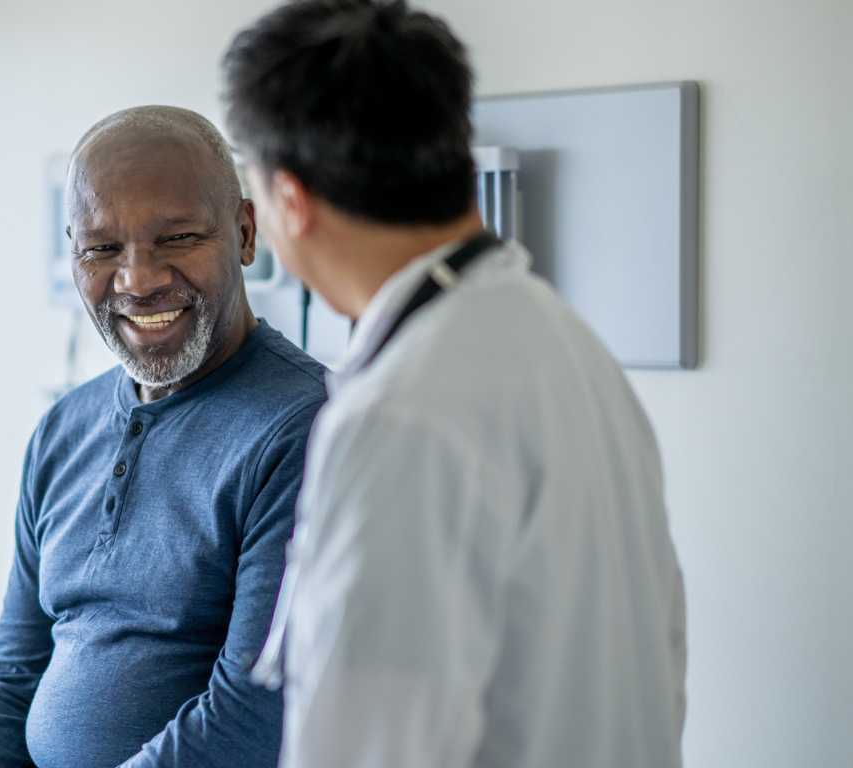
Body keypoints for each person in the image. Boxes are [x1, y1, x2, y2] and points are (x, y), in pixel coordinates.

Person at [222, 3, 688, 768]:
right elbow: (664, 656)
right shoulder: (570, 349)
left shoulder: (398, 415)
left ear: (291, 203)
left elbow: (364, 744)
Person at [0, 105, 328, 768]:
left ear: (246, 233)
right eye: (102, 248)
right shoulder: (62, 431)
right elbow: (12, 678)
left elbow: (254, 716)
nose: (138, 279)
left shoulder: (310, 428)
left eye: (176, 239)